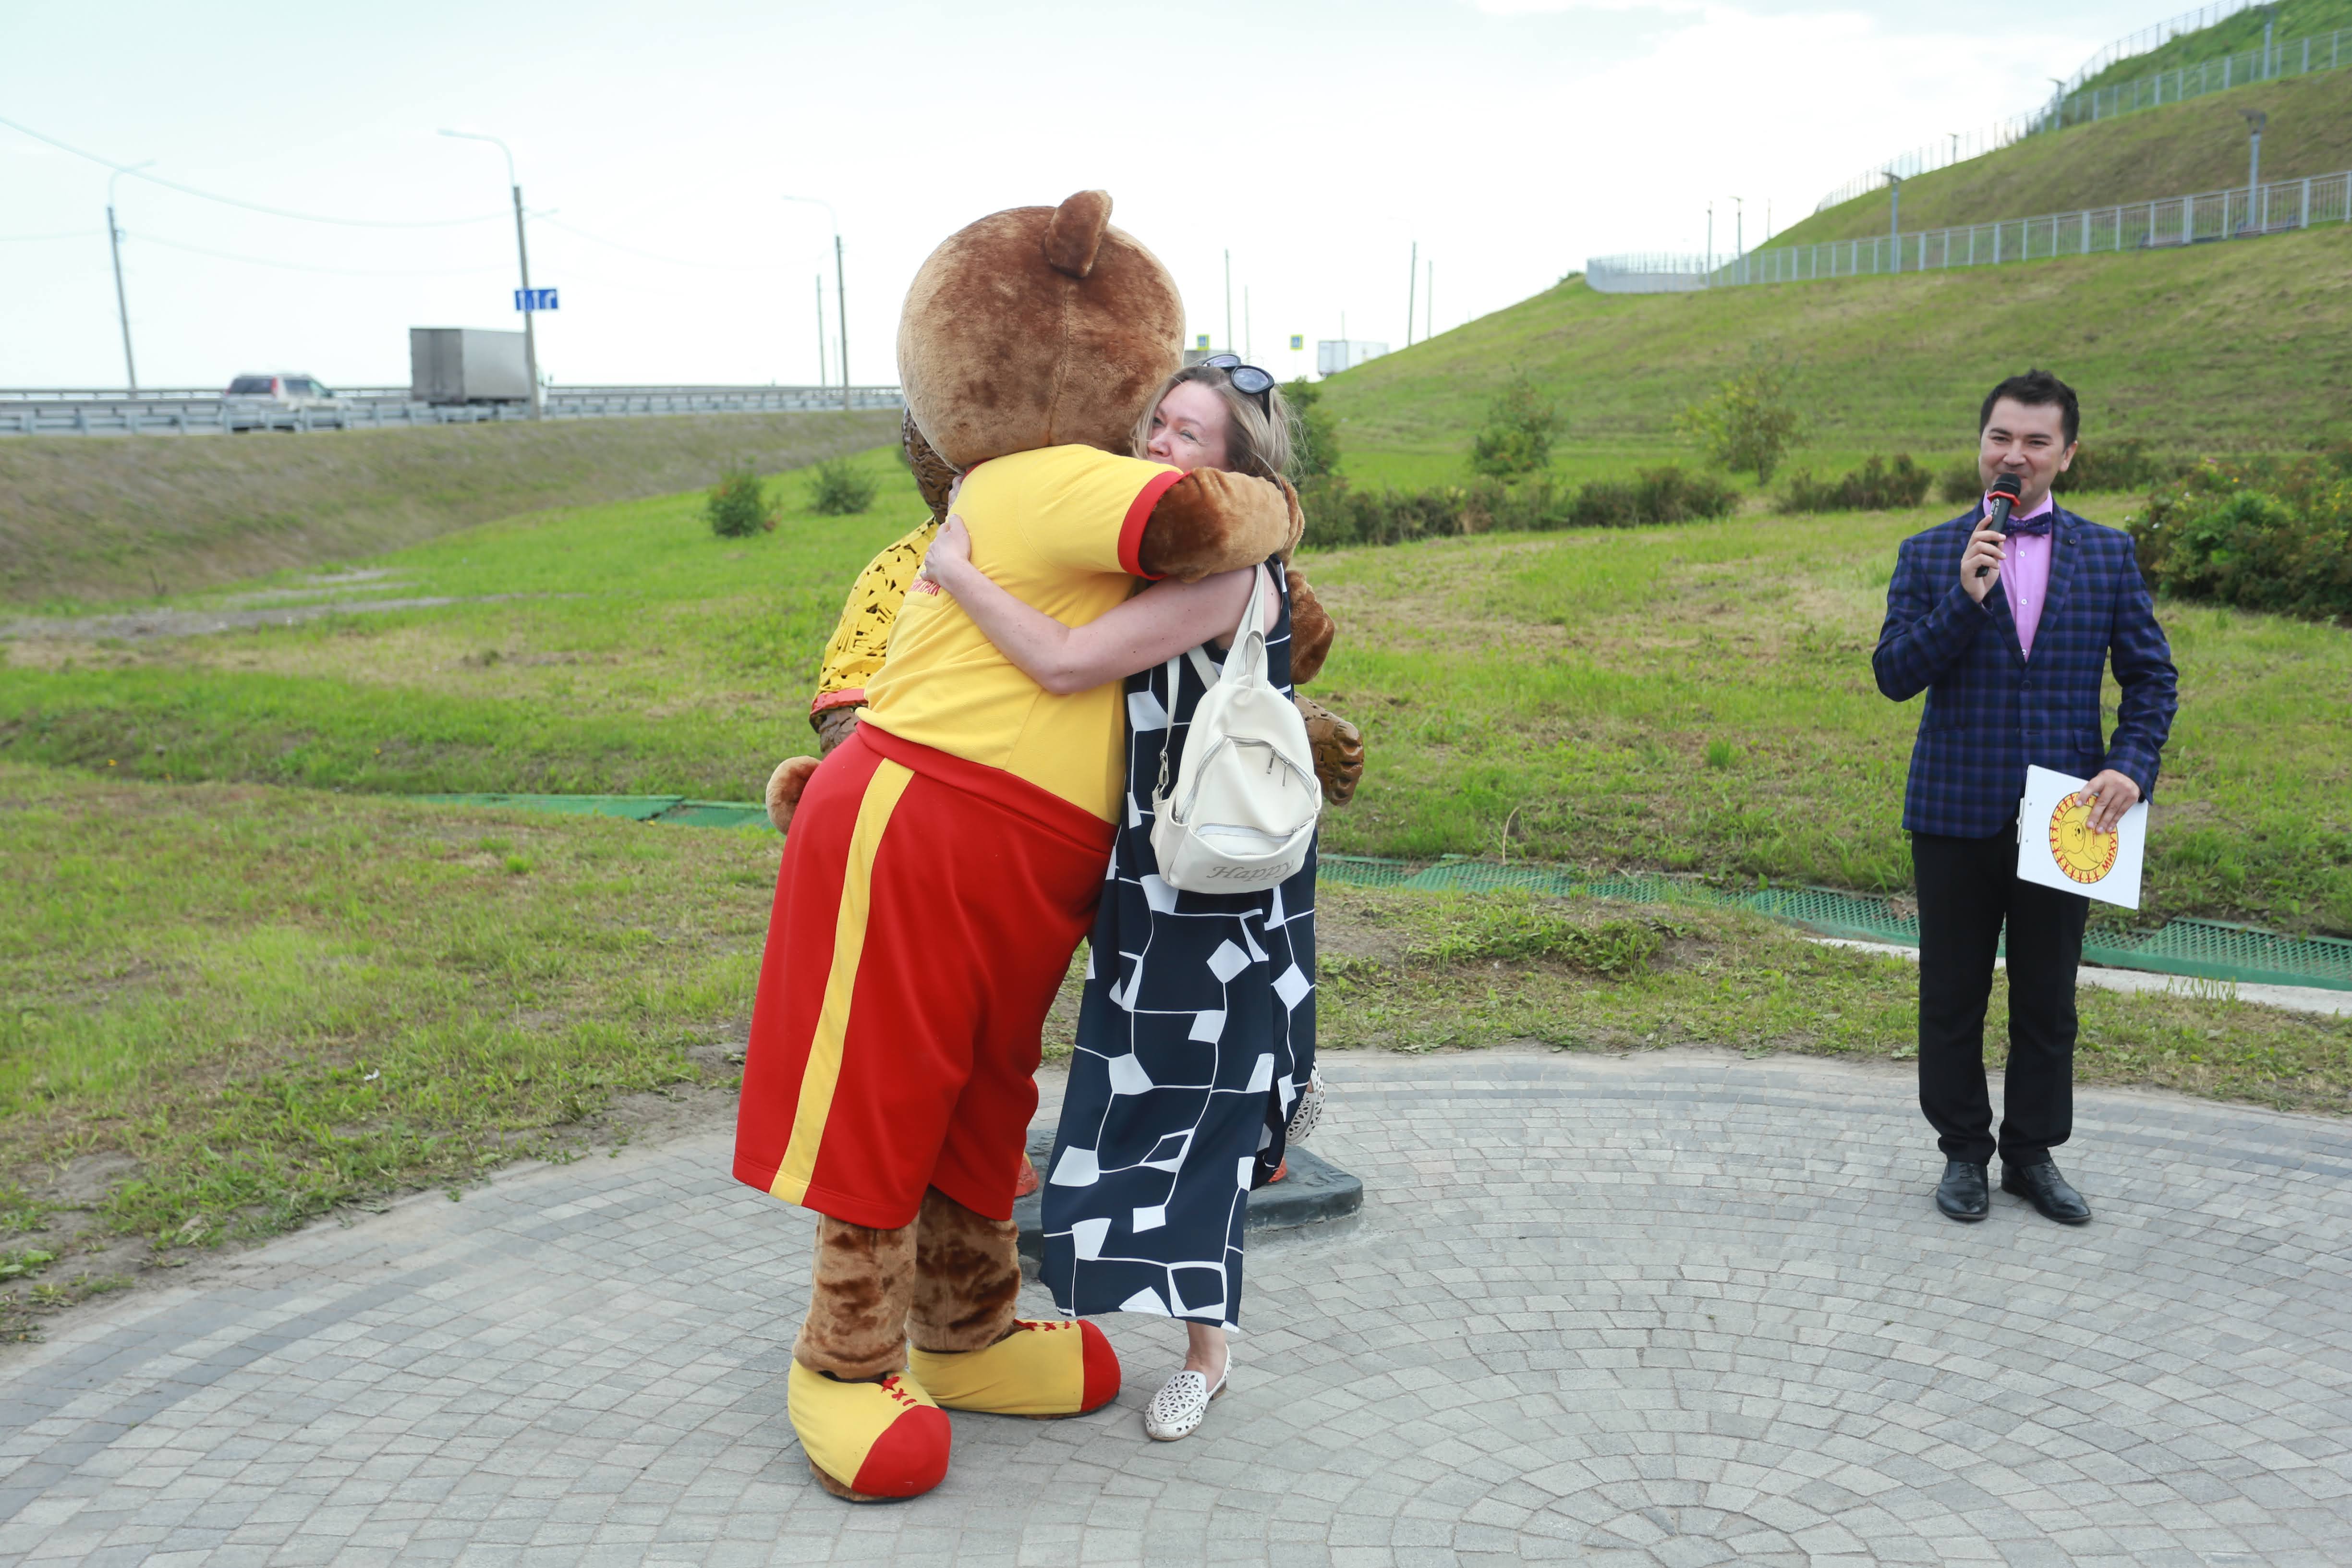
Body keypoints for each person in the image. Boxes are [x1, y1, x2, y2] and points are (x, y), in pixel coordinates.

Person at [917, 358, 1318, 1443]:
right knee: (1139, 1093)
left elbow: (1063, 663)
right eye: (1159, 424)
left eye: (1191, 436)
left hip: (1215, 895)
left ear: (1235, 470)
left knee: (1198, 1113)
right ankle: (1157, 1285)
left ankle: (1206, 1355)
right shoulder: (1164, 562)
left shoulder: (1224, 578)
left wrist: (955, 568)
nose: (1161, 446)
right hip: (1158, 877)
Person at [1872, 369, 2177, 1228]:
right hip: (1954, 809)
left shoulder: (2107, 554)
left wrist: (2130, 764)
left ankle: (2032, 1155)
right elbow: (1893, 674)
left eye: (2036, 441)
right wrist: (1963, 599)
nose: (2015, 455)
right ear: (1980, 445)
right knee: (1951, 995)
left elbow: (2151, 677)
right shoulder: (1929, 552)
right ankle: (1962, 1153)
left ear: (2066, 455)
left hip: (2065, 817)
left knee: (2047, 999)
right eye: (2000, 437)